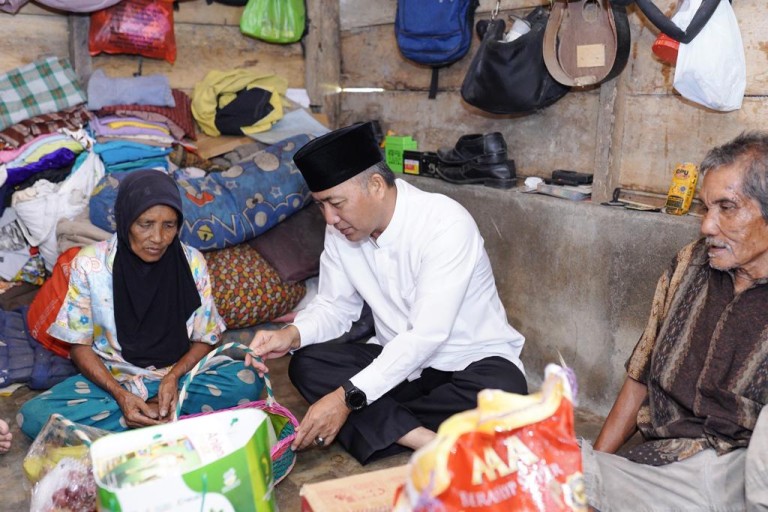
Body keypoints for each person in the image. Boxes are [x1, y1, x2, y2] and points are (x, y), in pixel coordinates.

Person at [246, 122, 527, 464]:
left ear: (376, 185)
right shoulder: (341, 233)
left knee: (503, 393)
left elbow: (426, 335)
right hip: (400, 367)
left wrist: (345, 398)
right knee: (307, 364)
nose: (330, 218)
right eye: (320, 206)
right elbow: (335, 308)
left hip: (468, 364)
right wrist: (290, 335)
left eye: (336, 203)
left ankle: (380, 425)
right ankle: (426, 439)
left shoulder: (445, 223)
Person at [582, 131, 768, 511]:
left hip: (738, 471)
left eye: (727, 207)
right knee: (539, 471)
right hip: (665, 459)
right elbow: (641, 375)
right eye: (705, 208)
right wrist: (595, 467)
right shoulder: (690, 263)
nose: (707, 226)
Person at [18, 170, 263, 439]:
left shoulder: (192, 263)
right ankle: (160, 419)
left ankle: (137, 425)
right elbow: (79, 347)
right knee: (33, 416)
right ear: (125, 221)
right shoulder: (90, 265)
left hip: (179, 379)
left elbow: (206, 338)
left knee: (247, 381)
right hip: (116, 380)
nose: (157, 238)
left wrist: (172, 378)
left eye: (169, 225)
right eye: (145, 224)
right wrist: (121, 395)